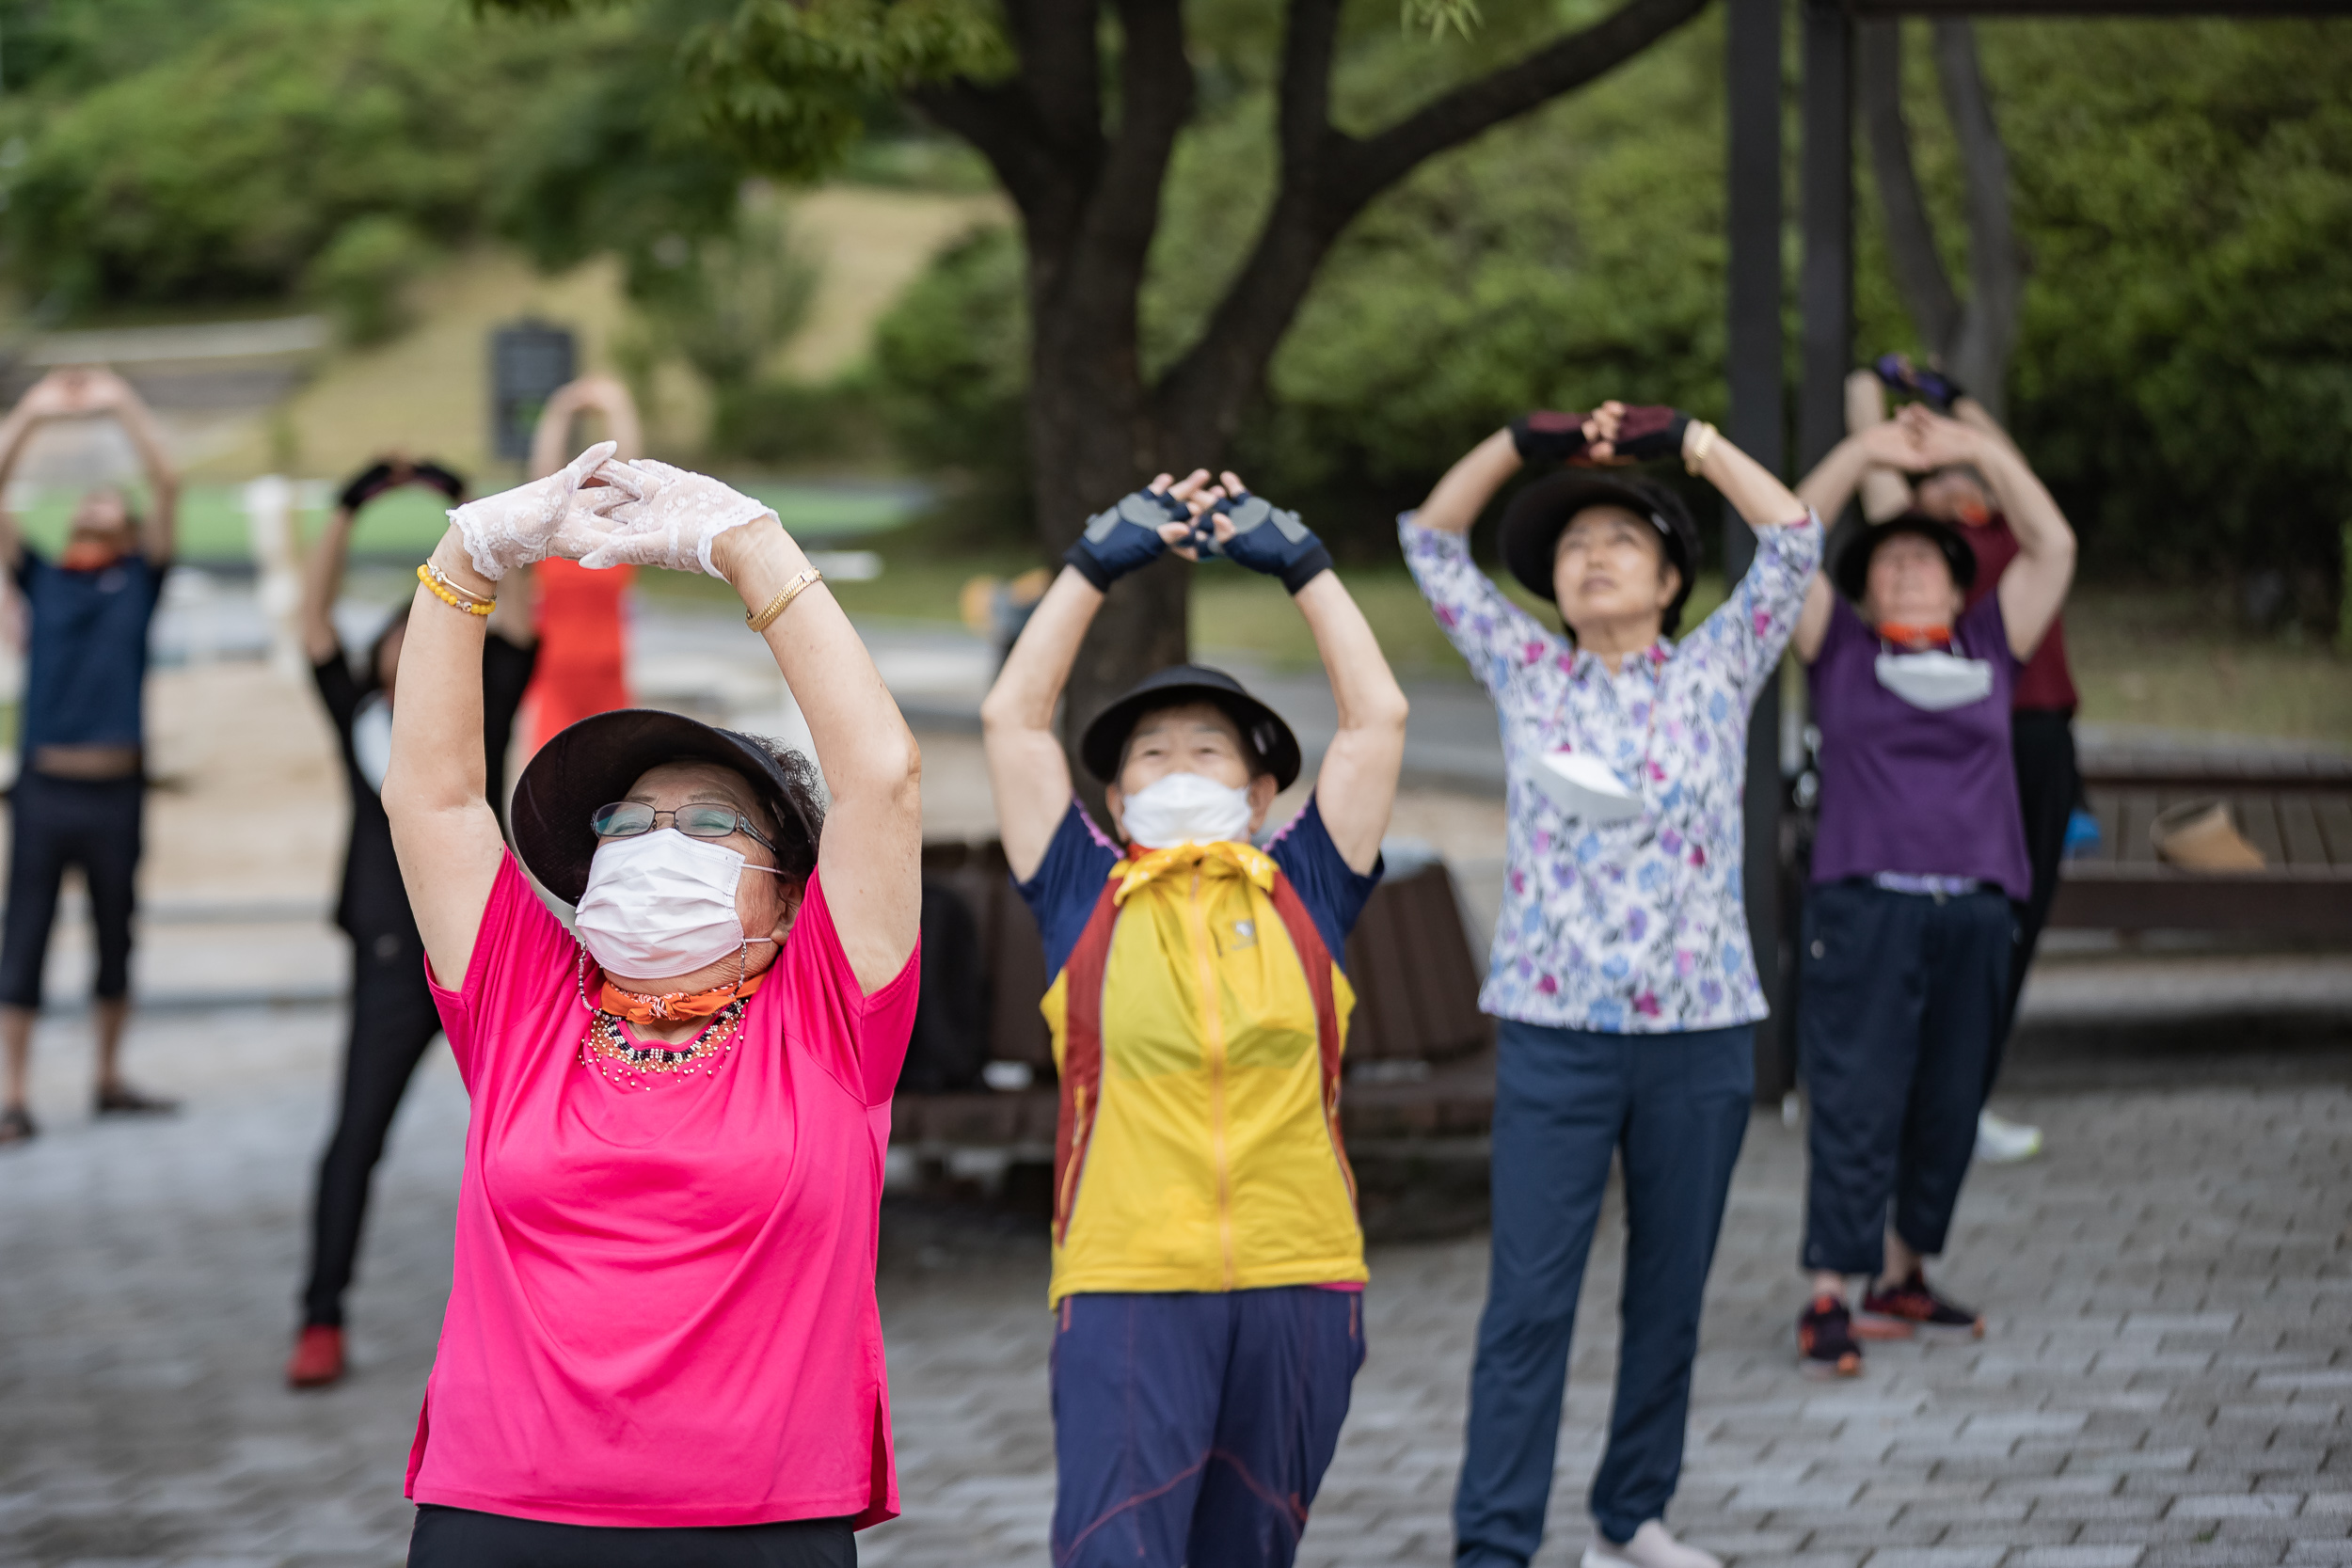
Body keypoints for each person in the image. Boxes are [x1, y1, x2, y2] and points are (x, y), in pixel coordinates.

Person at [382, 444, 922, 1563]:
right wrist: (466, 556)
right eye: (626, 821)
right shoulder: (528, 1003)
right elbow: (433, 794)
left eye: (712, 819)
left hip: (757, 1521)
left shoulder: (827, 1015)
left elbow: (879, 773)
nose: (657, 838)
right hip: (498, 1514)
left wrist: (750, 546)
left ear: (786, 896)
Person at [1404, 403, 1820, 1568]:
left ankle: (1629, 1519)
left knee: (1669, 1294)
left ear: (1672, 577)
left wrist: (1687, 441)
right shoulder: (1526, 669)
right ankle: (1493, 1543)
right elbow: (1432, 541)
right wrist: (1518, 443)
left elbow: (1792, 535)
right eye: (1575, 546)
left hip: (1698, 1033)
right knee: (1528, 1302)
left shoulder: (1718, 670)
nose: (1592, 558)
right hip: (1553, 1033)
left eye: (1621, 542)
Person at [979, 467, 1408, 1568]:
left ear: (1260, 792)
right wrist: (1090, 564)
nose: (1179, 765)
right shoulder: (1083, 893)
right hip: (1128, 1279)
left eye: (1208, 749)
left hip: (1300, 1273)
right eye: (1152, 753)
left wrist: (1303, 565)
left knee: (1249, 1551)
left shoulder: (1304, 883)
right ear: (1116, 800)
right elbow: (1013, 720)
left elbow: (1377, 718)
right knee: (1118, 1551)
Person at [1788, 402, 2075, 1379]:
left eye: (1927, 558)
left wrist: (1979, 450)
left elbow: (2053, 540)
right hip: (1865, 907)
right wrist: (1862, 450)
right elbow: (1782, 545)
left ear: (1959, 584)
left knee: (1951, 1094)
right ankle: (1831, 1287)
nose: (1907, 566)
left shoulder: (1991, 644)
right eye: (1888, 560)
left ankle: (1905, 1271)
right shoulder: (1842, 653)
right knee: (1857, 1097)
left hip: (1975, 907)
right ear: (1863, 588)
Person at [284, 456, 539, 1389]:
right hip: (392, 952)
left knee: (531, 1133)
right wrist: (347, 509)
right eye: (398, 633)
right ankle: (319, 1317)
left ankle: (549, 1317)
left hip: (489, 946)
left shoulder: (486, 705)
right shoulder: (356, 713)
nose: (409, 644)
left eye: (425, 630)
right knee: (355, 1135)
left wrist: (474, 506)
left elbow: (512, 612)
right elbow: (311, 619)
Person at [1858, 358, 2077, 1165]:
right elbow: (1877, 469)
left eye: (1964, 462)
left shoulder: (2016, 529)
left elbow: (2006, 461)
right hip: (1972, 745)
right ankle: (1941, 1099)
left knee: (2014, 925)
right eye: (1937, 467)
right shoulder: (1921, 548)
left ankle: (1966, 1093)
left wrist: (1958, 406)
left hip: (2043, 737)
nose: (1957, 475)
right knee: (1963, 924)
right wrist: (1864, 386)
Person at [0, 367, 181, 1146]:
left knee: (118, 931)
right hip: (45, 789)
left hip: (118, 790)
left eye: (111, 502)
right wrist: (34, 414)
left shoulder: (139, 579)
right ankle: (13, 1094)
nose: (94, 503)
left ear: (129, 529)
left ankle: (108, 1078)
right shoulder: (41, 578)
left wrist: (121, 405)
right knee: (25, 936)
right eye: (87, 501)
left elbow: (165, 480)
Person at [520, 376, 641, 754]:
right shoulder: (551, 535)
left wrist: (616, 405)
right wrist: (561, 408)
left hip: (608, 678)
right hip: (555, 680)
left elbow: (632, 473)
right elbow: (542, 479)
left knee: (617, 782)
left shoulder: (617, 536)